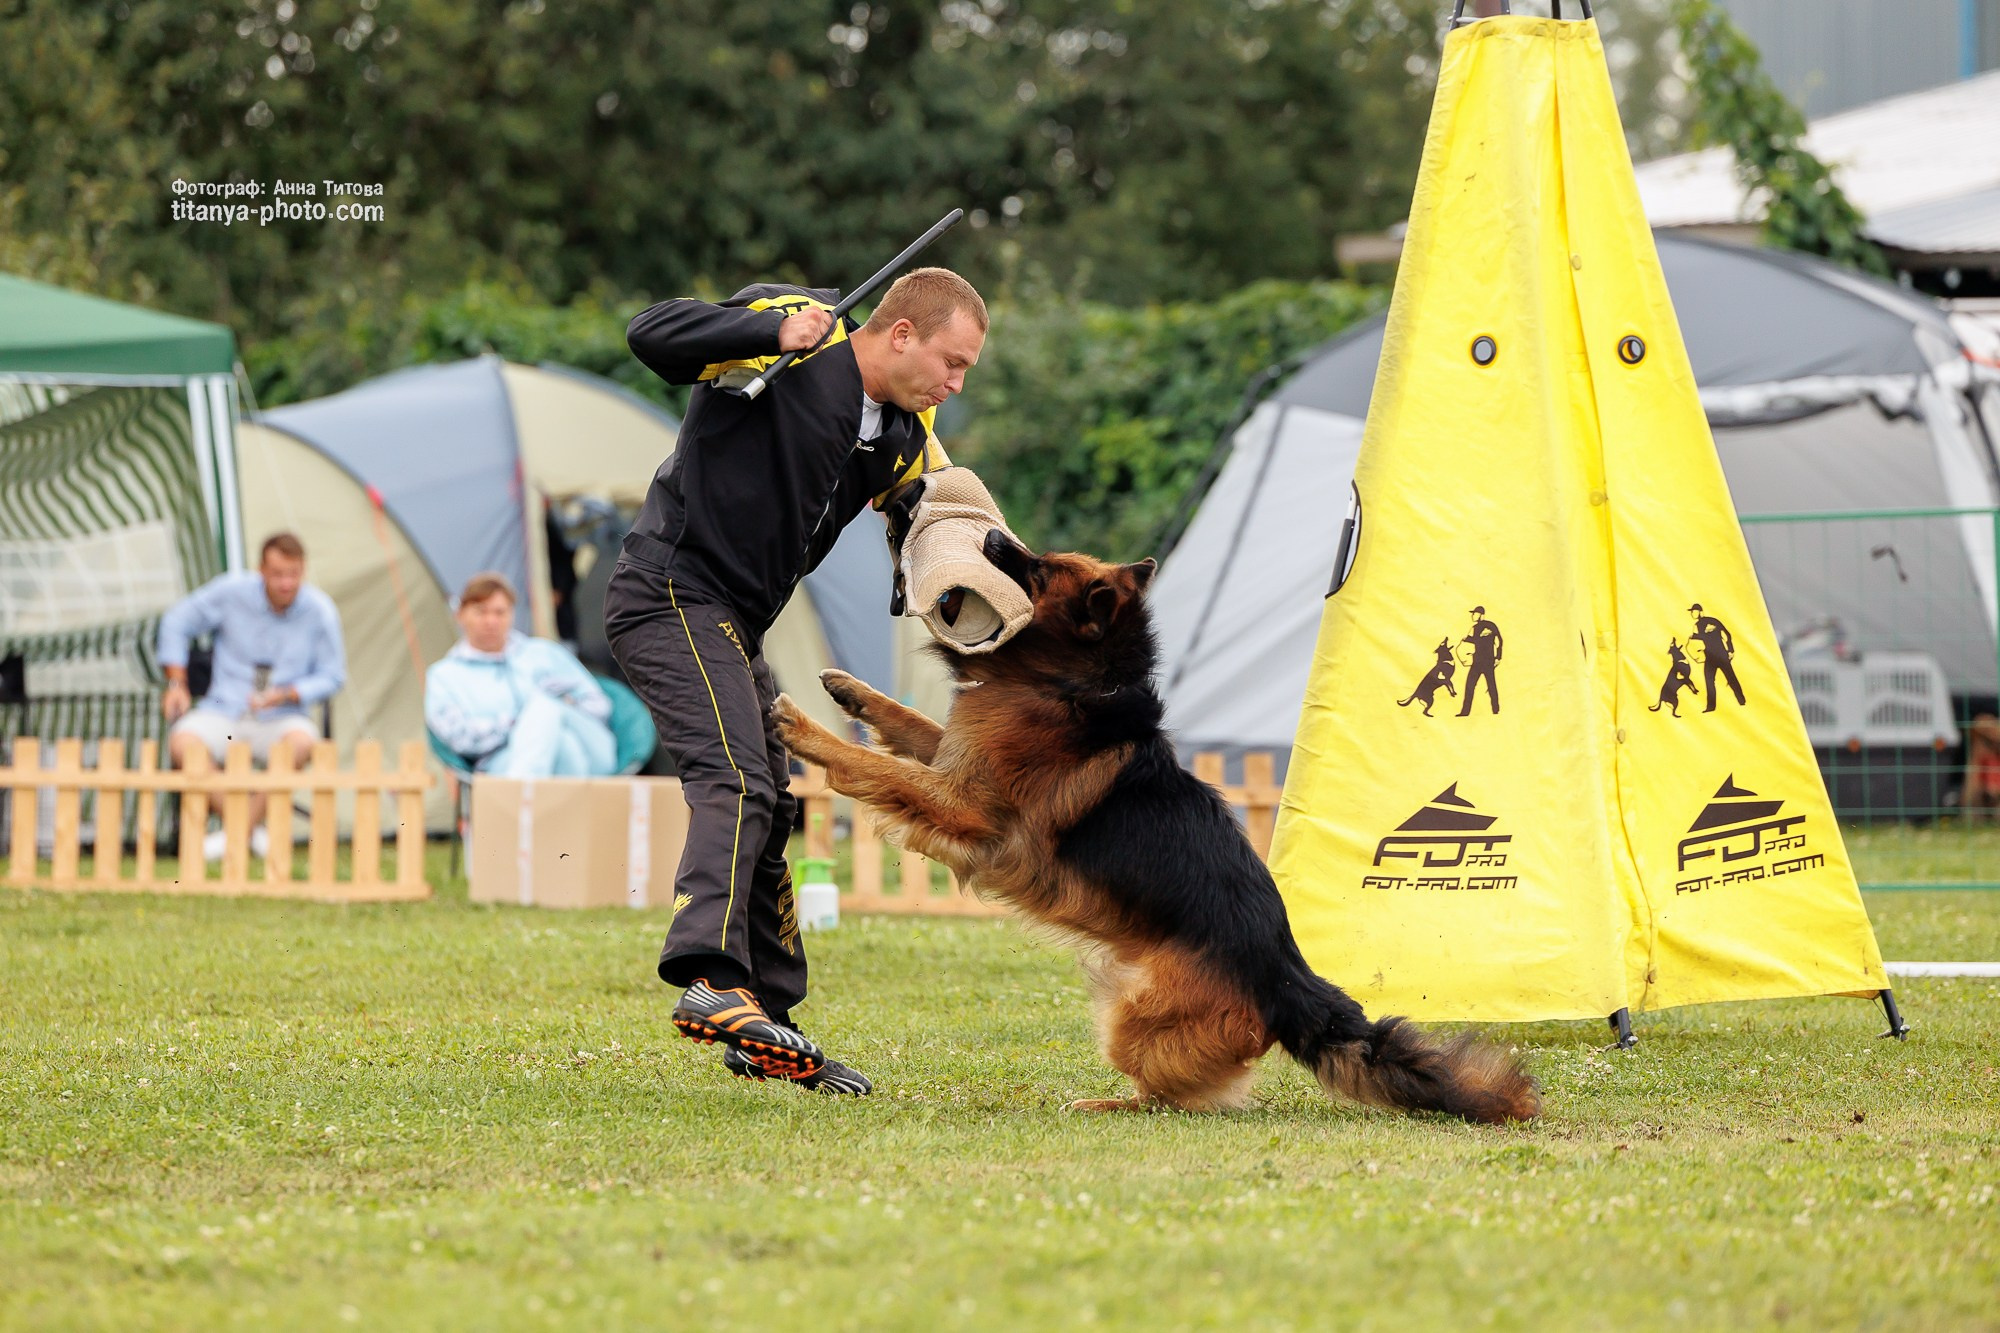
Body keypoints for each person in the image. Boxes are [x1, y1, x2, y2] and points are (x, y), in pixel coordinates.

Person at [606, 266, 988, 1096]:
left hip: (733, 621)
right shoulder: (789, 332)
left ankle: (764, 1018)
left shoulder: (903, 434)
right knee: (736, 776)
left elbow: (948, 525)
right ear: (900, 334)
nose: (955, 384)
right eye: (951, 363)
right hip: (668, 592)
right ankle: (710, 976)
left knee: (773, 797)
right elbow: (651, 332)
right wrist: (766, 333)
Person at [157, 532, 346, 861]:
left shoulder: (320, 611)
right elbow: (176, 621)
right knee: (182, 743)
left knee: (302, 742)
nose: (286, 583)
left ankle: (233, 835)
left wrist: (290, 693)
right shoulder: (231, 592)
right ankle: (247, 830)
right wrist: (177, 682)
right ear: (261, 570)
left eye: (294, 574)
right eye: (278, 575)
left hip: (281, 716)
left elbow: (333, 675)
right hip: (225, 710)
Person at [425, 572, 617, 778]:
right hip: (504, 759)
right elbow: (461, 738)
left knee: (546, 707)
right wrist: (523, 723)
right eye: (481, 612)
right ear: (460, 615)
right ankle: (565, 805)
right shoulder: (444, 675)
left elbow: (599, 704)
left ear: (512, 614)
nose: (491, 621)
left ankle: (520, 802)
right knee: (561, 744)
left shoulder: (544, 653)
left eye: (500, 612)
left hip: (590, 747)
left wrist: (558, 710)